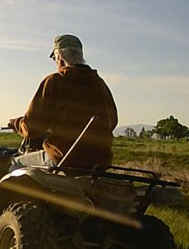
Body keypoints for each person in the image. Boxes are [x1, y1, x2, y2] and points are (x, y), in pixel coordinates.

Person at [8, 34, 118, 170]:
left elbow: (32, 127)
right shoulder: (100, 85)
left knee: (16, 163)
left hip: (64, 158)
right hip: (100, 162)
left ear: (60, 57)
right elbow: (112, 122)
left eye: (55, 58)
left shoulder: (54, 81)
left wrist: (16, 123)